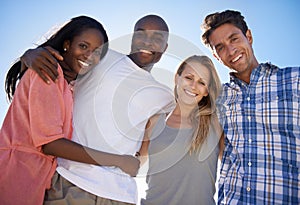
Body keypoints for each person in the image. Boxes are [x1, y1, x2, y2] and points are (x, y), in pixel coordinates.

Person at [21, 14, 175, 205]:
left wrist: (138, 162)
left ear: (165, 48)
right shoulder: (101, 57)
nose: (147, 41)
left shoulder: (165, 96)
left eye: (157, 38)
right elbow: (61, 57)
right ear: (133, 37)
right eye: (141, 34)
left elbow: (162, 134)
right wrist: (29, 55)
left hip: (121, 194)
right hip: (72, 181)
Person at [0, 16, 140, 205]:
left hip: (40, 176)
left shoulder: (70, 84)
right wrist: (119, 160)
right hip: (18, 172)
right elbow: (51, 143)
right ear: (67, 44)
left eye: (97, 52)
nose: (89, 56)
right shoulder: (47, 72)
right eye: (83, 46)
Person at [201, 9, 300, 204]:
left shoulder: (294, 80)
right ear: (215, 56)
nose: (230, 51)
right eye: (220, 47)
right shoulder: (218, 97)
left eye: (234, 39)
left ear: (249, 36)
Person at [138, 55, 223, 205]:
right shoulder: (155, 121)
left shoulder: (216, 123)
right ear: (177, 78)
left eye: (201, 82)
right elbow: (136, 163)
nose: (193, 86)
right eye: (189, 77)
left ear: (207, 91)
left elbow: (233, 166)